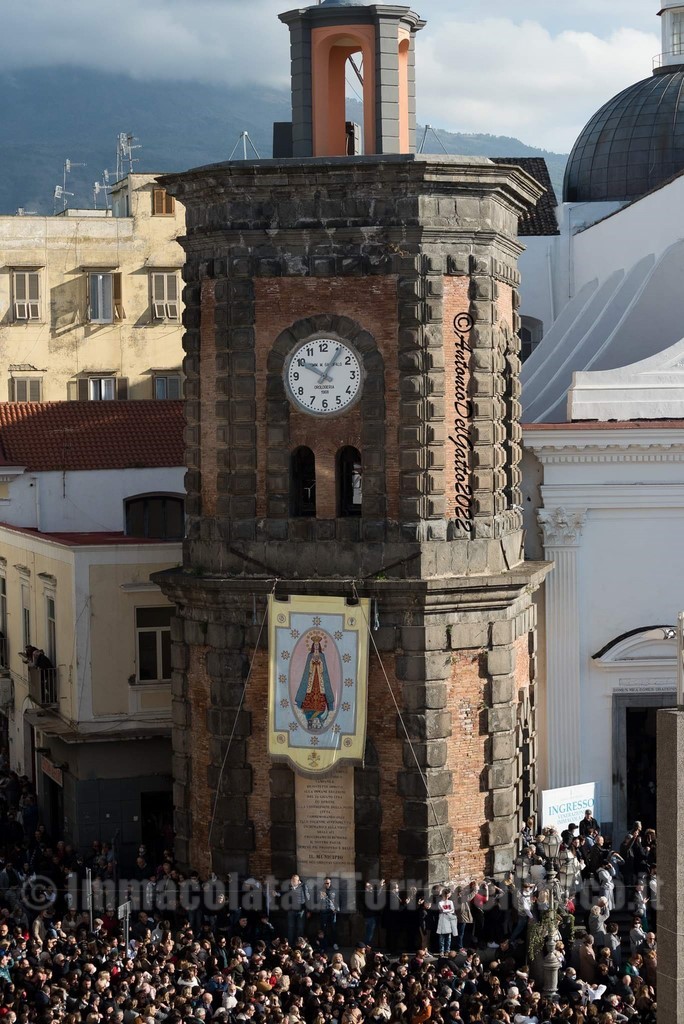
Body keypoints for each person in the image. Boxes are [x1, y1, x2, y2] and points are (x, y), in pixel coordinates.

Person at [284, 874, 309, 946]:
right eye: (292, 880)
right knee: (290, 928)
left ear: (298, 881)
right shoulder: (289, 887)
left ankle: (299, 945)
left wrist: (308, 910)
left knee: (300, 928)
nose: (293, 882)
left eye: (294, 880)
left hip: (301, 911)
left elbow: (307, 898)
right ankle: (291, 945)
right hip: (291, 911)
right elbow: (283, 894)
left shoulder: (303, 887)